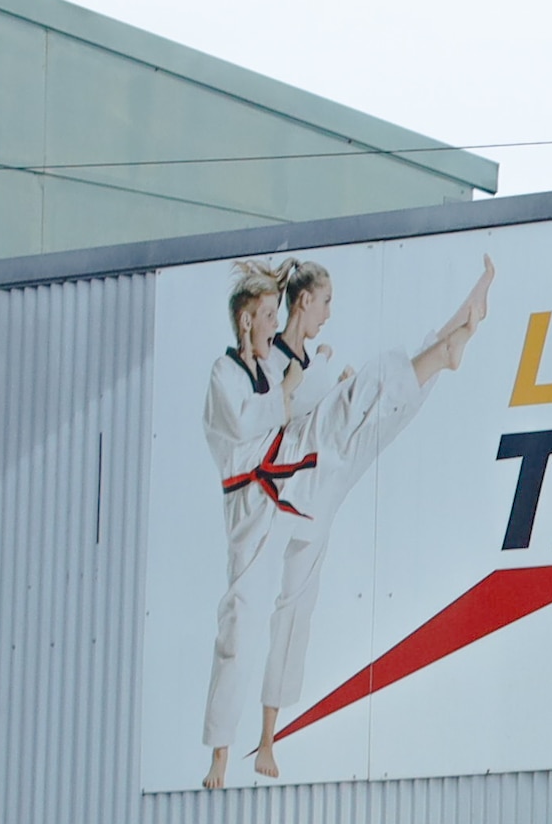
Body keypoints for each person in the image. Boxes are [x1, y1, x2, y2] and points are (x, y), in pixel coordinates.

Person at [208, 251, 493, 784]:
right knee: (363, 394)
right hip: (283, 482)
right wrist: (305, 385)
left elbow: (292, 404)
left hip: (313, 482)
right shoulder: (254, 368)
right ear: (300, 303)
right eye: (325, 302)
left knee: (379, 414)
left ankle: (446, 343)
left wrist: (316, 380)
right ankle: (224, 750)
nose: (328, 314)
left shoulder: (286, 363)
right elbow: (262, 422)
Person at [195, 261, 312, 790]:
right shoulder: (224, 375)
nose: (273, 325)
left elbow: (287, 407)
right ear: (245, 321)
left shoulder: (266, 371)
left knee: (295, 600)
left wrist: (299, 384)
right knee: (240, 625)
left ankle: (269, 737)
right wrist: (285, 391)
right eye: (266, 315)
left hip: (283, 490)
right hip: (247, 498)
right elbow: (245, 422)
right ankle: (220, 750)